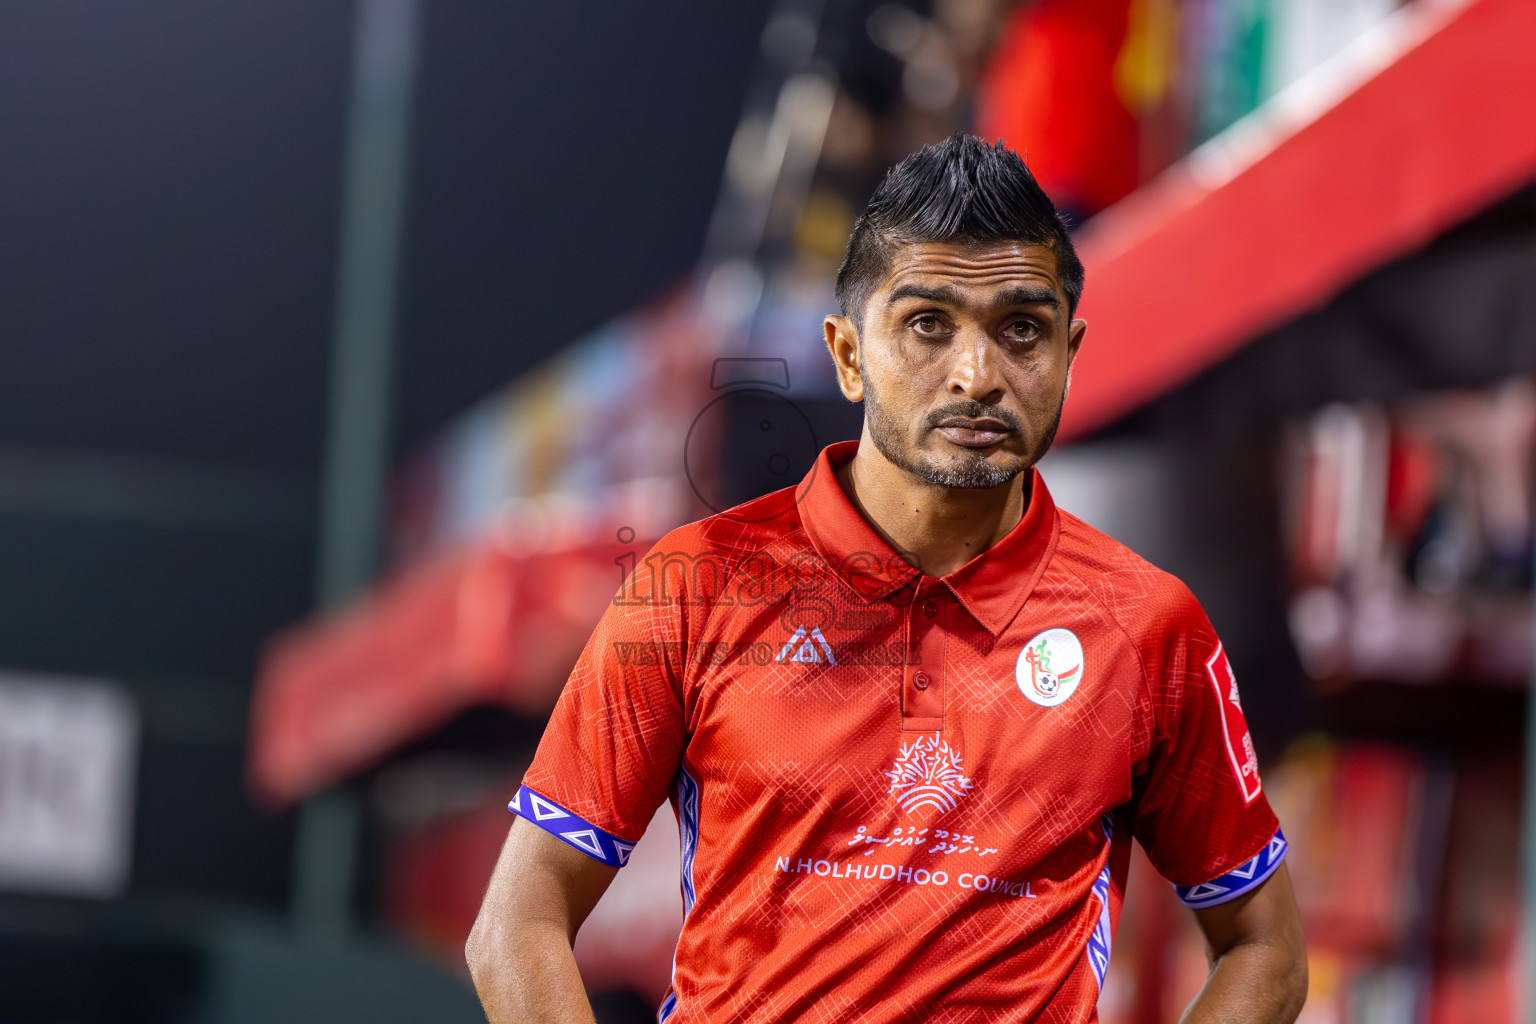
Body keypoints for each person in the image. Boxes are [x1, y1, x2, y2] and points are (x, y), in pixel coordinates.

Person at [466, 133, 1307, 1023]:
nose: (978, 375)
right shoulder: (696, 589)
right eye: (927, 325)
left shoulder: (1146, 627)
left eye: (1022, 327)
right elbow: (519, 922)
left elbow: (1265, 947)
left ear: (1070, 348)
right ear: (847, 354)